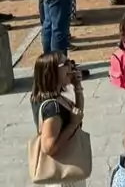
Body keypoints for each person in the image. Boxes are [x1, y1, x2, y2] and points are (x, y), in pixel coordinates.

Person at [29, 51, 86, 187]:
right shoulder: (52, 108)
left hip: (66, 167)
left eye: (70, 62)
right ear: (51, 72)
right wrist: (73, 124)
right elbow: (49, 147)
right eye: (65, 64)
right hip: (62, 174)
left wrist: (77, 88)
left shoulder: (48, 96)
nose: (71, 67)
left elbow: (78, 113)